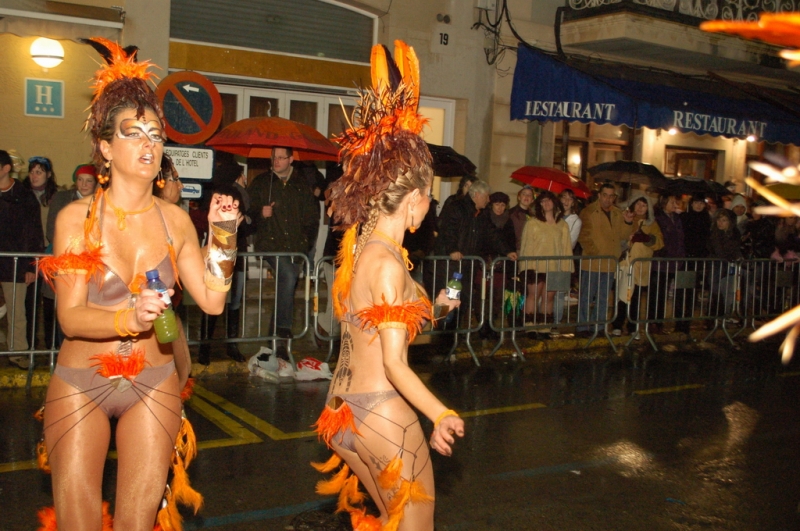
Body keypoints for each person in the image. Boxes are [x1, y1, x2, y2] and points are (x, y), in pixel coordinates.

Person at [36, 38, 240, 529]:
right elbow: (69, 316)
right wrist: (129, 316)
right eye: (134, 133)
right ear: (105, 148)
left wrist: (224, 238)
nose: (150, 144)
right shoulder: (75, 219)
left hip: (153, 381)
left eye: (156, 133)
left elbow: (212, 301)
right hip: (81, 382)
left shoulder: (175, 221)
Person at [313, 41, 464, 531]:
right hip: (379, 411)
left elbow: (380, 329)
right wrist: (440, 414)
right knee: (417, 516)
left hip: (341, 415)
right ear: (415, 200)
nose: (430, 210)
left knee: (390, 519)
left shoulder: (363, 251)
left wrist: (435, 309)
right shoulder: (387, 264)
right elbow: (395, 365)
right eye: (430, 200)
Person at [248, 145, 319, 359]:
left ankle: (274, 343)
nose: (276, 161)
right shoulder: (262, 183)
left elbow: (311, 217)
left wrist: (305, 244)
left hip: (295, 247)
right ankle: (283, 330)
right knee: (288, 275)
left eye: (281, 157)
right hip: (271, 245)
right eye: (274, 157)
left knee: (284, 290)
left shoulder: (301, 185)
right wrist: (261, 213)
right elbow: (248, 214)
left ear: (290, 160)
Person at [434, 179, 517, 338]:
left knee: (462, 302)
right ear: (477, 195)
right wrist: (453, 249)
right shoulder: (457, 207)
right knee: (445, 300)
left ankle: (453, 337)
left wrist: (507, 251)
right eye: (486, 196)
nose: (488, 200)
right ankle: (438, 334)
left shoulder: (482, 214)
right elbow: (447, 229)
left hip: (467, 266)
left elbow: (492, 234)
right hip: (450, 266)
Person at [198, 161, 255, 364]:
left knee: (230, 303)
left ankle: (217, 347)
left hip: (230, 255)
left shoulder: (225, 195)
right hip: (221, 254)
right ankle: (211, 347)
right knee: (221, 303)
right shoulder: (224, 195)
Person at [43, 164, 100, 349]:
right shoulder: (62, 199)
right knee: (65, 310)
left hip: (93, 265)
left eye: (88, 181)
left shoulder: (101, 202)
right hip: (66, 262)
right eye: (80, 180)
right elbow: (52, 230)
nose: (83, 184)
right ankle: (61, 351)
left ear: (95, 184)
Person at [0, 149, 44, 369]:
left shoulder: (24, 196)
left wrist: (30, 265)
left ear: (6, 169)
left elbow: (34, 232)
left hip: (14, 264)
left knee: (17, 313)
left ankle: (17, 352)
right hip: (8, 260)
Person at [576, 182, 634, 336]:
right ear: (599, 195)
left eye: (611, 196)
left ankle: (599, 326)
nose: (608, 199)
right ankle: (583, 327)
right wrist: (595, 252)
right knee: (587, 296)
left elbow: (623, 235)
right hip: (593, 262)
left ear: (614, 197)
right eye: (605, 195)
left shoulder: (617, 213)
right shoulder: (589, 212)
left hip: (609, 262)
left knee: (603, 297)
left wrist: (628, 221)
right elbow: (584, 236)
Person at [518, 190, 573, 335]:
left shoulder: (562, 225)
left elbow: (566, 248)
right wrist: (526, 267)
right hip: (536, 266)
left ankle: (544, 328)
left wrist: (567, 268)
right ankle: (530, 327)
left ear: (554, 203)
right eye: (543, 201)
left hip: (554, 267)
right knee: (533, 295)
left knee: (549, 298)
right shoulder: (533, 224)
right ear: (539, 205)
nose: (546, 203)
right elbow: (526, 246)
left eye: (549, 200)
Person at [611, 192, 663, 337]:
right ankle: (617, 325)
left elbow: (659, 242)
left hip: (641, 266)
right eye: (639, 204)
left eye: (644, 205)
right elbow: (617, 237)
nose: (641, 208)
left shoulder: (652, 224)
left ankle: (633, 327)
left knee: (635, 299)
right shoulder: (626, 218)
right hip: (625, 263)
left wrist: (647, 238)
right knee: (622, 296)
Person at [23, 156, 60, 351]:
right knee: (29, 303)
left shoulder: (56, 197)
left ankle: (49, 344)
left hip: (50, 256)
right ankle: (31, 344)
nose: (34, 176)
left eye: (39, 172)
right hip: (31, 257)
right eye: (31, 171)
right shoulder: (24, 195)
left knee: (49, 302)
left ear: (48, 175)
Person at [650, 194, 691, 335]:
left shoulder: (677, 218)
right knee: (658, 294)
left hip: (677, 261)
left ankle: (672, 324)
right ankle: (655, 322)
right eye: (672, 202)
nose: (675, 204)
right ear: (664, 203)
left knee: (673, 294)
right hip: (662, 263)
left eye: (676, 201)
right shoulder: (658, 218)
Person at [707, 209, 742, 320]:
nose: (720, 223)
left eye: (724, 220)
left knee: (727, 291)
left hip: (727, 265)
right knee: (715, 290)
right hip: (716, 265)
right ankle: (715, 315)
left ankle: (724, 314)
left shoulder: (734, 235)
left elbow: (733, 250)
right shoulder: (715, 234)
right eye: (719, 220)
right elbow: (719, 251)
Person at [508, 185, 534, 250]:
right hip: (515, 250)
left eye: (529, 195)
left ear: (532, 200)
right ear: (519, 197)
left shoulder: (534, 216)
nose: (526, 196)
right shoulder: (511, 213)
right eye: (524, 194)